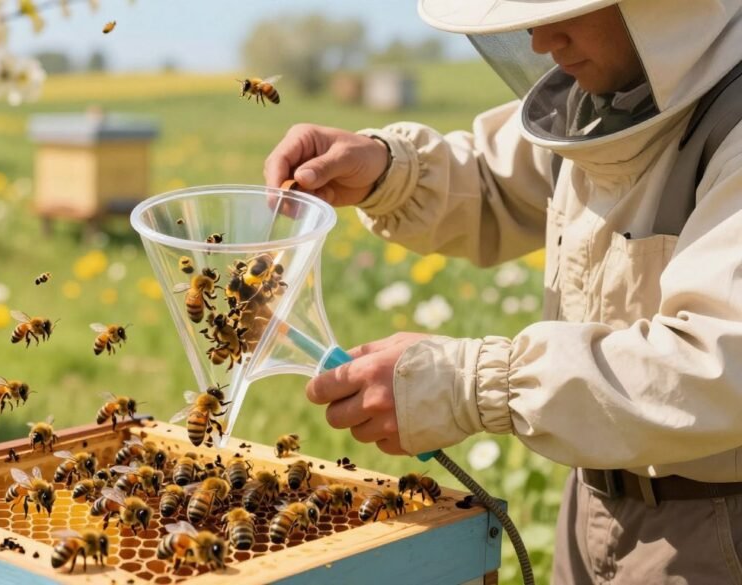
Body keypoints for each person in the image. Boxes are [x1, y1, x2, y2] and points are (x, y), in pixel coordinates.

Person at [264, 1, 742, 582]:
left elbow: (716, 363)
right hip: (588, 497)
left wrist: (474, 382)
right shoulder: (605, 97)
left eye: (566, 6)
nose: (541, 40)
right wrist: (387, 170)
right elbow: (495, 180)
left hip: (716, 529)